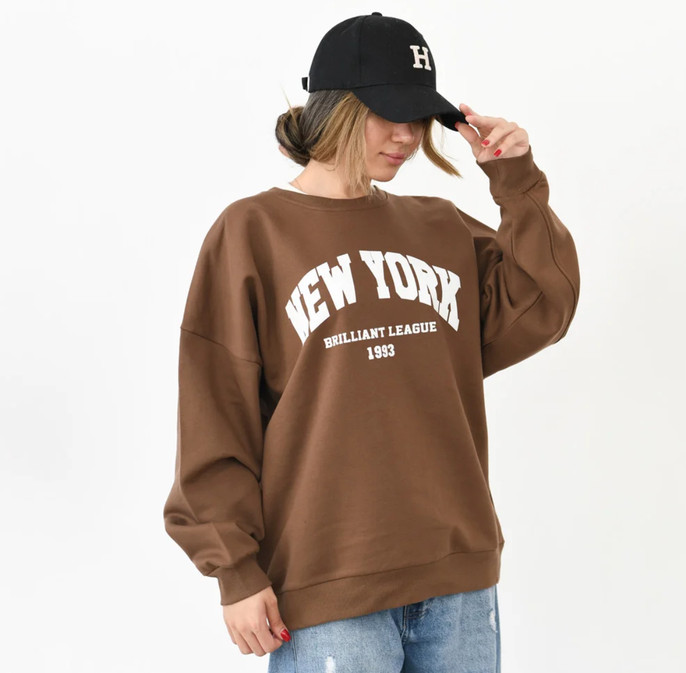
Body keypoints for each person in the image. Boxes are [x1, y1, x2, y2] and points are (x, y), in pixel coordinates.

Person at [163, 11, 580, 673]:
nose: (407, 136)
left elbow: (543, 303)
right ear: (335, 107)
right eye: (387, 114)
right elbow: (217, 415)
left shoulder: (439, 227)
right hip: (328, 588)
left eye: (418, 117)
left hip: (459, 579)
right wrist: (234, 570)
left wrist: (516, 180)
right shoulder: (252, 232)